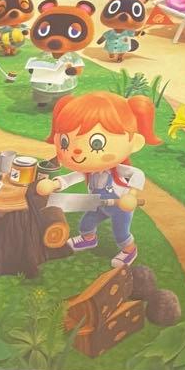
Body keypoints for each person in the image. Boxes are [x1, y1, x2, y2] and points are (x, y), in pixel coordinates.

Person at [36, 91, 161, 267]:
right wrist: (54, 184)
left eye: (97, 144)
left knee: (121, 233)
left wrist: (131, 195)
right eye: (65, 142)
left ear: (135, 143)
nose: (77, 151)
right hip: (98, 203)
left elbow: (137, 174)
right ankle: (89, 238)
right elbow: (72, 178)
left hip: (120, 207)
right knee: (86, 223)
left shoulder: (116, 170)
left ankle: (129, 250)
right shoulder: (89, 170)